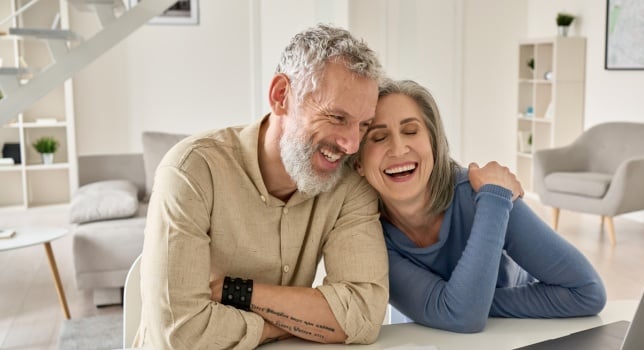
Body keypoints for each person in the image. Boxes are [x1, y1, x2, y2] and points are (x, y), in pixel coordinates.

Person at [134, 25, 389, 349]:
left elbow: (364, 316)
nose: (351, 144)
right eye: (337, 117)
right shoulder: (191, 170)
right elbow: (180, 334)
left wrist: (237, 292)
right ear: (281, 96)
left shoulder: (349, 186)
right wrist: (288, 325)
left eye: (363, 125)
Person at [353, 79, 607, 333]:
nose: (398, 149)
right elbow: (461, 315)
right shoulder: (367, 236)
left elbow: (587, 292)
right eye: (379, 137)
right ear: (358, 164)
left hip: (515, 335)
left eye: (411, 131)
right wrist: (463, 304)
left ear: (433, 143)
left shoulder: (488, 194)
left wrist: (466, 303)